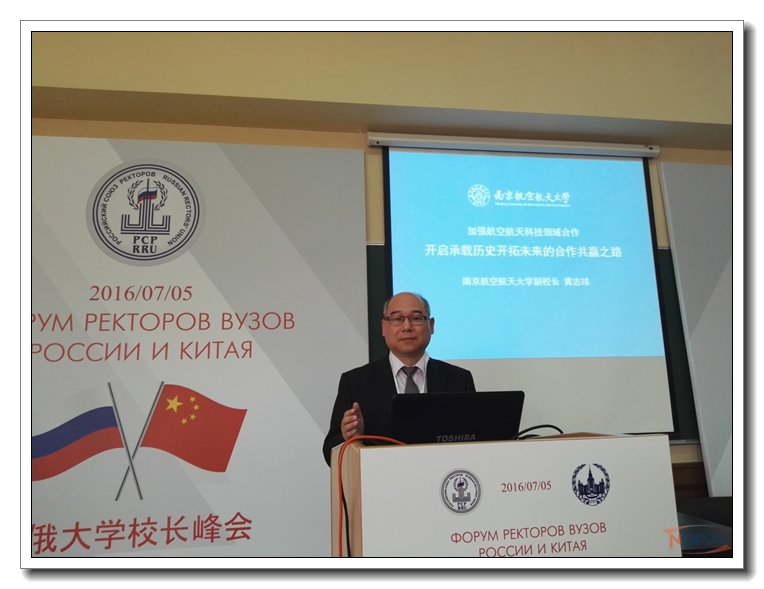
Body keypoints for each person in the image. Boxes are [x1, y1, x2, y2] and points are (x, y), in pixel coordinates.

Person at [322, 292, 475, 465]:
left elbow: (476, 441)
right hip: (381, 478)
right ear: (384, 327)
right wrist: (352, 438)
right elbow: (330, 451)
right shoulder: (356, 382)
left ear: (431, 325)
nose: (407, 327)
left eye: (416, 318)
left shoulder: (459, 379)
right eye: (397, 319)